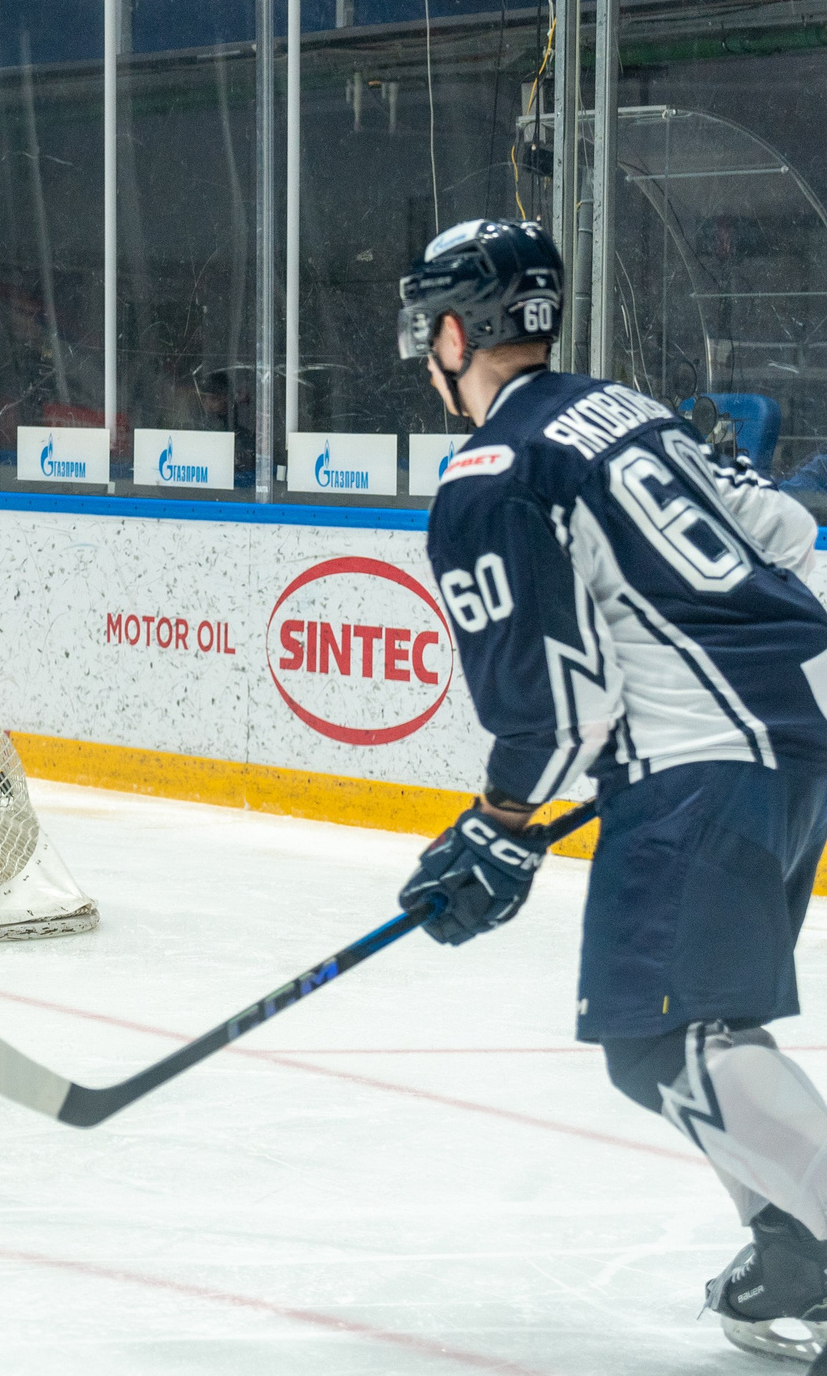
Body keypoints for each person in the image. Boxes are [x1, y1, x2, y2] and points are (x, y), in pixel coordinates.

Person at [394, 218, 827, 1364]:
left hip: (704, 759)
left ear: (453, 331)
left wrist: (496, 824)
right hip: (787, 734)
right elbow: (786, 534)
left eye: (424, 326)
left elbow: (552, 703)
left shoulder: (491, 472)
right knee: (678, 1031)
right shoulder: (629, 409)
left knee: (664, 1031)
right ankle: (798, 1253)